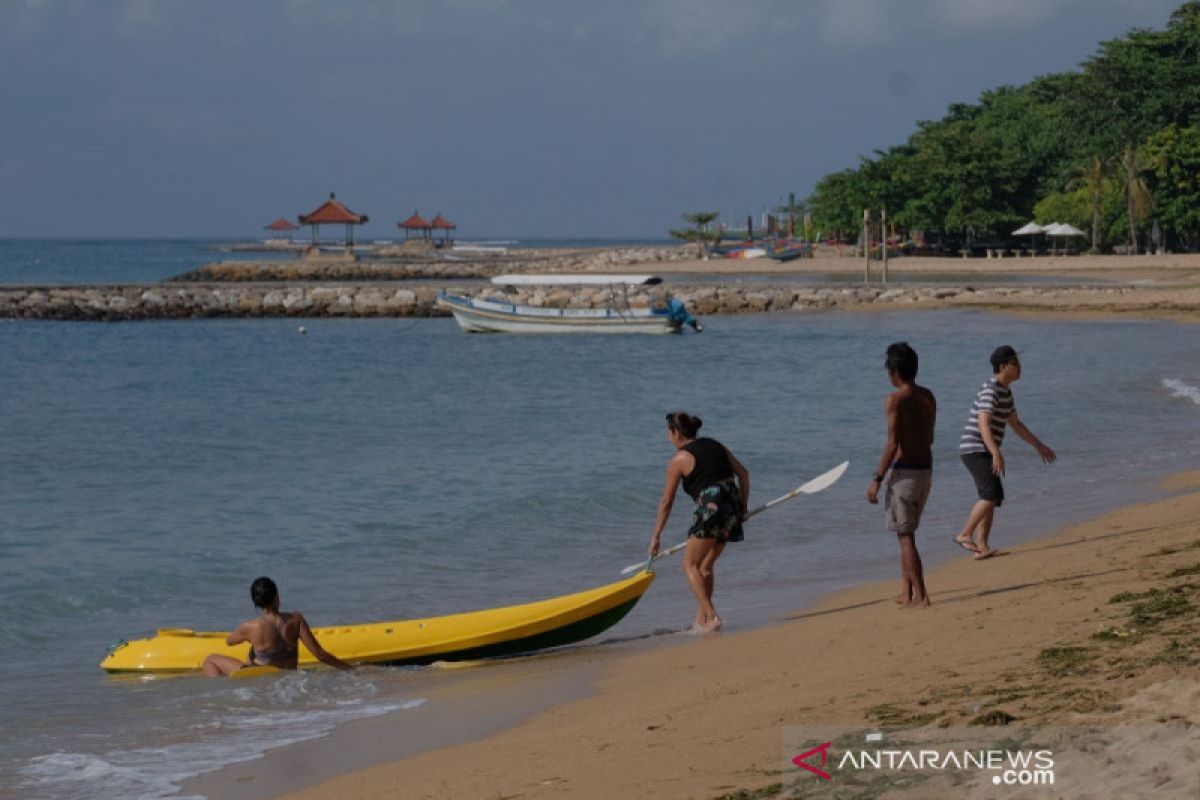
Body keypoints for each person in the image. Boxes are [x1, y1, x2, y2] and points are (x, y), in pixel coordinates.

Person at [648, 411, 749, 633]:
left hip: (710, 508)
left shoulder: (679, 459)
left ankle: (712, 617)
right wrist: (743, 508)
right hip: (731, 505)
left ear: (675, 432)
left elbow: (666, 501)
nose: (668, 436)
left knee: (689, 565)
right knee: (705, 566)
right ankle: (702, 617)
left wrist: (656, 535)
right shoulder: (715, 445)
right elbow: (743, 474)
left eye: (668, 431)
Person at [955, 346, 1057, 560]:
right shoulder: (991, 389)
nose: (1020, 368)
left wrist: (1039, 445)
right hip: (975, 448)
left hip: (983, 449)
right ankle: (965, 534)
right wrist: (995, 453)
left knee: (990, 497)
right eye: (1015, 364)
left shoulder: (1006, 392)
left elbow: (1016, 425)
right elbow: (983, 423)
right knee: (992, 494)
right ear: (1003, 366)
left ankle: (982, 547)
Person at [867, 342, 937, 607]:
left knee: (906, 538)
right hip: (925, 472)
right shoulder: (928, 396)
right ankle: (906, 591)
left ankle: (921, 595)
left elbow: (892, 443)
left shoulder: (895, 400)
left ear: (894, 372)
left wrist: (876, 479)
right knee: (905, 533)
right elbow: (929, 436)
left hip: (904, 475)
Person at [202, 576, 356, 677]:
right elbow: (320, 654)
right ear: (277, 596)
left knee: (210, 659)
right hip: (288, 677)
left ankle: (221, 691)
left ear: (256, 603)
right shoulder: (296, 620)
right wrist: (350, 669)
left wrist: (249, 638)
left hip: (259, 678)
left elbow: (229, 641)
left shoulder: (251, 627)